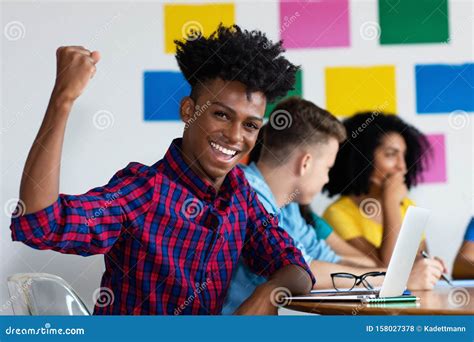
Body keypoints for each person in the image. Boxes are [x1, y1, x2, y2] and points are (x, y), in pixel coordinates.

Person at [9, 25, 315, 315]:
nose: (236, 136)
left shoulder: (240, 194)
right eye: (221, 115)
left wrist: (269, 291)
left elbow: (296, 266)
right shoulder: (143, 190)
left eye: (250, 125)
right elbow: (40, 223)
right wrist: (63, 100)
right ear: (187, 110)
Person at [222, 98, 445, 314]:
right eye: (328, 167)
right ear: (305, 163)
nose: (327, 179)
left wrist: (396, 274)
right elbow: (303, 269)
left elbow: (327, 258)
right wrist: (398, 279)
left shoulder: (288, 207)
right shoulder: (245, 193)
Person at [323, 112, 446, 270]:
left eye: (404, 156)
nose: (402, 166)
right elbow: (387, 269)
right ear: (363, 159)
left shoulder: (408, 205)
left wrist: (430, 266)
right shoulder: (337, 214)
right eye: (390, 154)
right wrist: (391, 202)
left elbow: (419, 262)